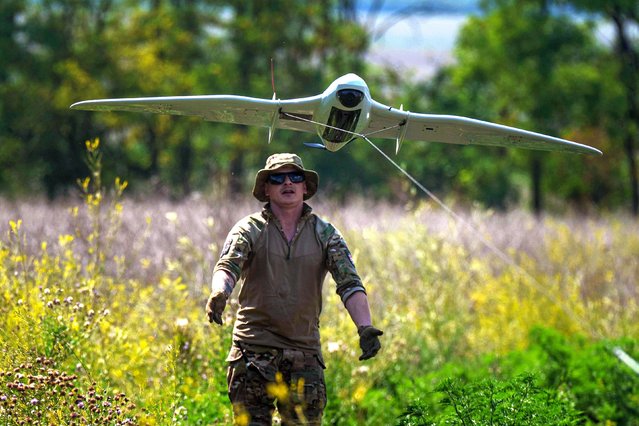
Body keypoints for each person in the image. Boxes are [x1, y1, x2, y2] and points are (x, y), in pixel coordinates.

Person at [206, 153, 383, 425]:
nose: (287, 183)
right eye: (277, 178)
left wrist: (365, 327)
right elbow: (229, 266)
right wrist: (219, 293)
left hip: (304, 352)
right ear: (266, 188)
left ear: (305, 187)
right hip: (253, 351)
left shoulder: (326, 234)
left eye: (295, 177)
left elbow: (349, 282)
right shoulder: (249, 229)